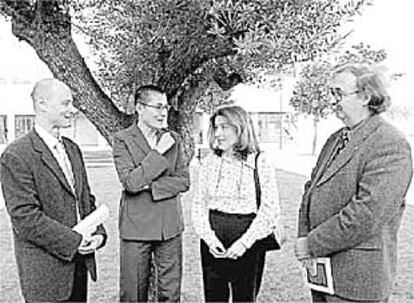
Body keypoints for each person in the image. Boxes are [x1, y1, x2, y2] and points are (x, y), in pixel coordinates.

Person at [295, 64, 413, 302]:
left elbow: (367, 215)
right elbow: (310, 192)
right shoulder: (335, 139)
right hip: (322, 276)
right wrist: (305, 242)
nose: (333, 101)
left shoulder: (390, 143)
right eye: (332, 94)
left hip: (358, 283)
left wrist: (311, 244)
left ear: (365, 96)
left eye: (338, 93)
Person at [0, 78, 107, 303]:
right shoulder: (16, 155)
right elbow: (25, 219)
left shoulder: (73, 149)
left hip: (78, 270)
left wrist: (98, 234)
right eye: (65, 104)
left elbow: (85, 201)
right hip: (46, 278)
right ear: (42, 104)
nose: (72, 110)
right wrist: (75, 241)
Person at [191, 105, 282, 302]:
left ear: (240, 128)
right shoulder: (209, 162)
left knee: (245, 297)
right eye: (215, 128)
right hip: (213, 236)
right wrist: (209, 239)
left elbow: (269, 209)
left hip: (248, 236)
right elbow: (199, 204)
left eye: (224, 127)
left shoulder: (260, 161)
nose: (218, 133)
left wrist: (244, 244)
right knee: (214, 297)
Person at [112, 85, 190, 302]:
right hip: (136, 227)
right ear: (139, 108)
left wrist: (152, 187)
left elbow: (184, 181)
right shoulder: (122, 139)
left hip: (169, 226)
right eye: (157, 107)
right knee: (133, 293)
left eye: (165, 107)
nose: (163, 112)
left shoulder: (173, 138)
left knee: (170, 293)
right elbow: (131, 182)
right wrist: (157, 153)